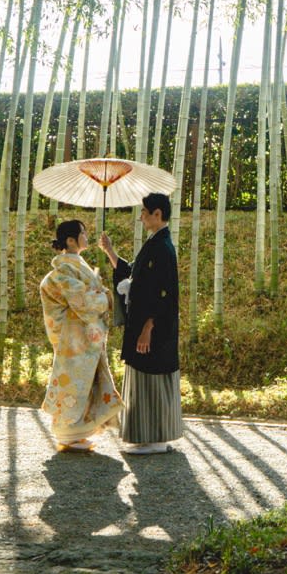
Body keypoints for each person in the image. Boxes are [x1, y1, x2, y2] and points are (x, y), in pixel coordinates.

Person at [99, 192, 182, 455]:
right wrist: (110, 251)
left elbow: (166, 293)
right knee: (146, 378)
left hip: (153, 328)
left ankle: (154, 439)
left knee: (151, 380)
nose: (141, 217)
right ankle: (153, 438)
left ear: (158, 214)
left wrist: (148, 327)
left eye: (144, 212)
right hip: (146, 324)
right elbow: (132, 272)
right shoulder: (156, 243)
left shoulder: (163, 247)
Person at [37, 218, 121, 454]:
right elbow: (81, 299)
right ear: (71, 240)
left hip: (82, 334)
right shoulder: (64, 269)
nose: (86, 236)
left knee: (84, 381)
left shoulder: (74, 265)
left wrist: (97, 290)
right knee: (74, 381)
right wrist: (104, 296)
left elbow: (85, 293)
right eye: (83, 233)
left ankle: (77, 432)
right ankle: (68, 433)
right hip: (74, 336)